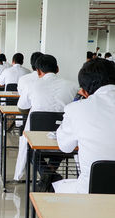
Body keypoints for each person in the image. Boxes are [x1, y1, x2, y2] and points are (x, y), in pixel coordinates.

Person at [13, 55, 79, 190]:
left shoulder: (32, 85)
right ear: (57, 69)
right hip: (62, 136)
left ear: (38, 71)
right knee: (62, 146)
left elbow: (22, 107)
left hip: (36, 135)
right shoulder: (73, 86)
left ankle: (45, 174)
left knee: (30, 149)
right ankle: (50, 174)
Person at [53, 58, 115, 194]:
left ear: (85, 90)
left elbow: (65, 147)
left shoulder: (77, 109)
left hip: (92, 192)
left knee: (57, 188)